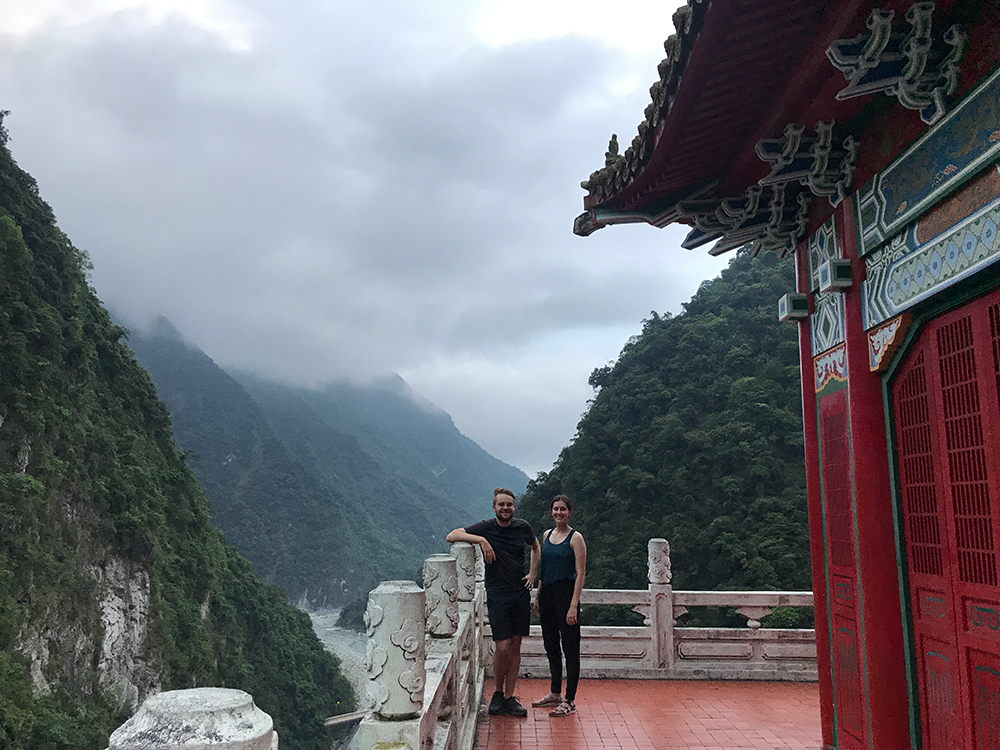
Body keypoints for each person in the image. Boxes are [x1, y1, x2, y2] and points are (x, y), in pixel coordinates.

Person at [446, 488, 540, 717]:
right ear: (494, 507)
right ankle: (497, 692)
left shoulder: (522, 527)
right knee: (503, 645)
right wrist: (480, 540)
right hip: (497, 593)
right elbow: (452, 535)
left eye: (509, 504)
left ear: (514, 507)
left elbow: (536, 547)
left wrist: (533, 573)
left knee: (516, 644)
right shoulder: (486, 527)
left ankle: (509, 697)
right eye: (501, 504)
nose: (506, 508)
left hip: (520, 592)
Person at [531, 494, 587, 717]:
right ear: (551, 511)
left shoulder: (576, 538)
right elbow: (543, 570)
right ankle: (555, 692)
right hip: (547, 595)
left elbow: (581, 574)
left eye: (563, 509)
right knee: (551, 644)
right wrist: (538, 595)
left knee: (571, 648)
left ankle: (570, 699)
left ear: (569, 512)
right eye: (555, 509)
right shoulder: (547, 535)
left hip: (566, 595)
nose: (559, 513)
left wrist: (574, 605)